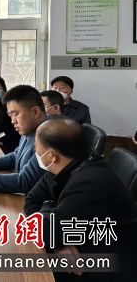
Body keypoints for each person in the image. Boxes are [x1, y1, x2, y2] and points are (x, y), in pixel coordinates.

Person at [25, 117, 137, 281]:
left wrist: (53, 227)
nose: (35, 152)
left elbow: (44, 228)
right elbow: (32, 199)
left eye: (36, 147)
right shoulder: (65, 163)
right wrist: (60, 241)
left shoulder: (90, 182)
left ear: (51, 156)